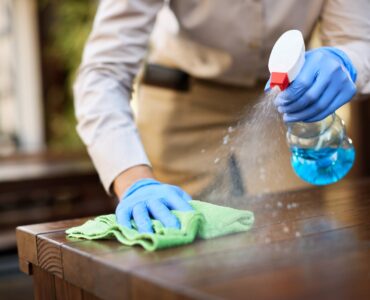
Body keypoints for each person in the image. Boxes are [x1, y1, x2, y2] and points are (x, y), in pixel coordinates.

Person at [74, 0, 370, 233]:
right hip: (182, 104)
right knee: (177, 241)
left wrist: (346, 62)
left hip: (282, 104)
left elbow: (358, 39)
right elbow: (103, 73)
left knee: (294, 235)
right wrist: (135, 182)